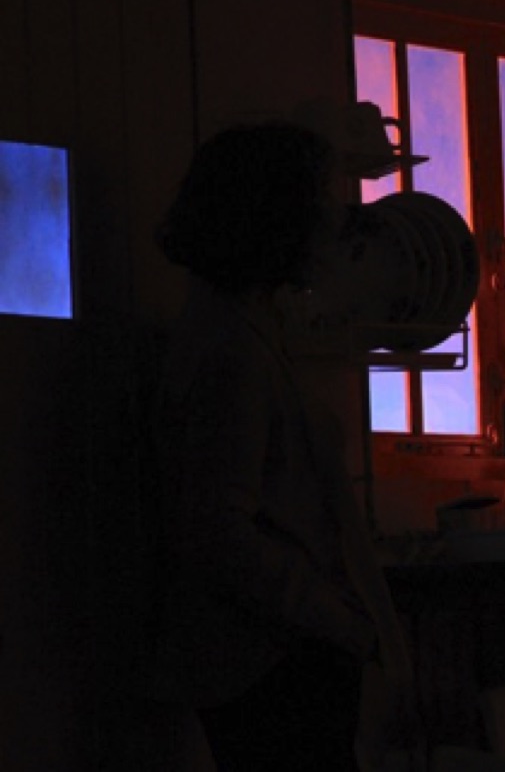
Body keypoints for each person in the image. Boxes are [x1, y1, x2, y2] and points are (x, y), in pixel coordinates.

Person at [147, 122, 418, 770]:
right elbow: (219, 530)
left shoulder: (236, 332)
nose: (334, 218)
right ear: (276, 217)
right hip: (274, 662)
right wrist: (336, 617)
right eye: (320, 199)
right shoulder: (234, 352)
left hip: (271, 658)